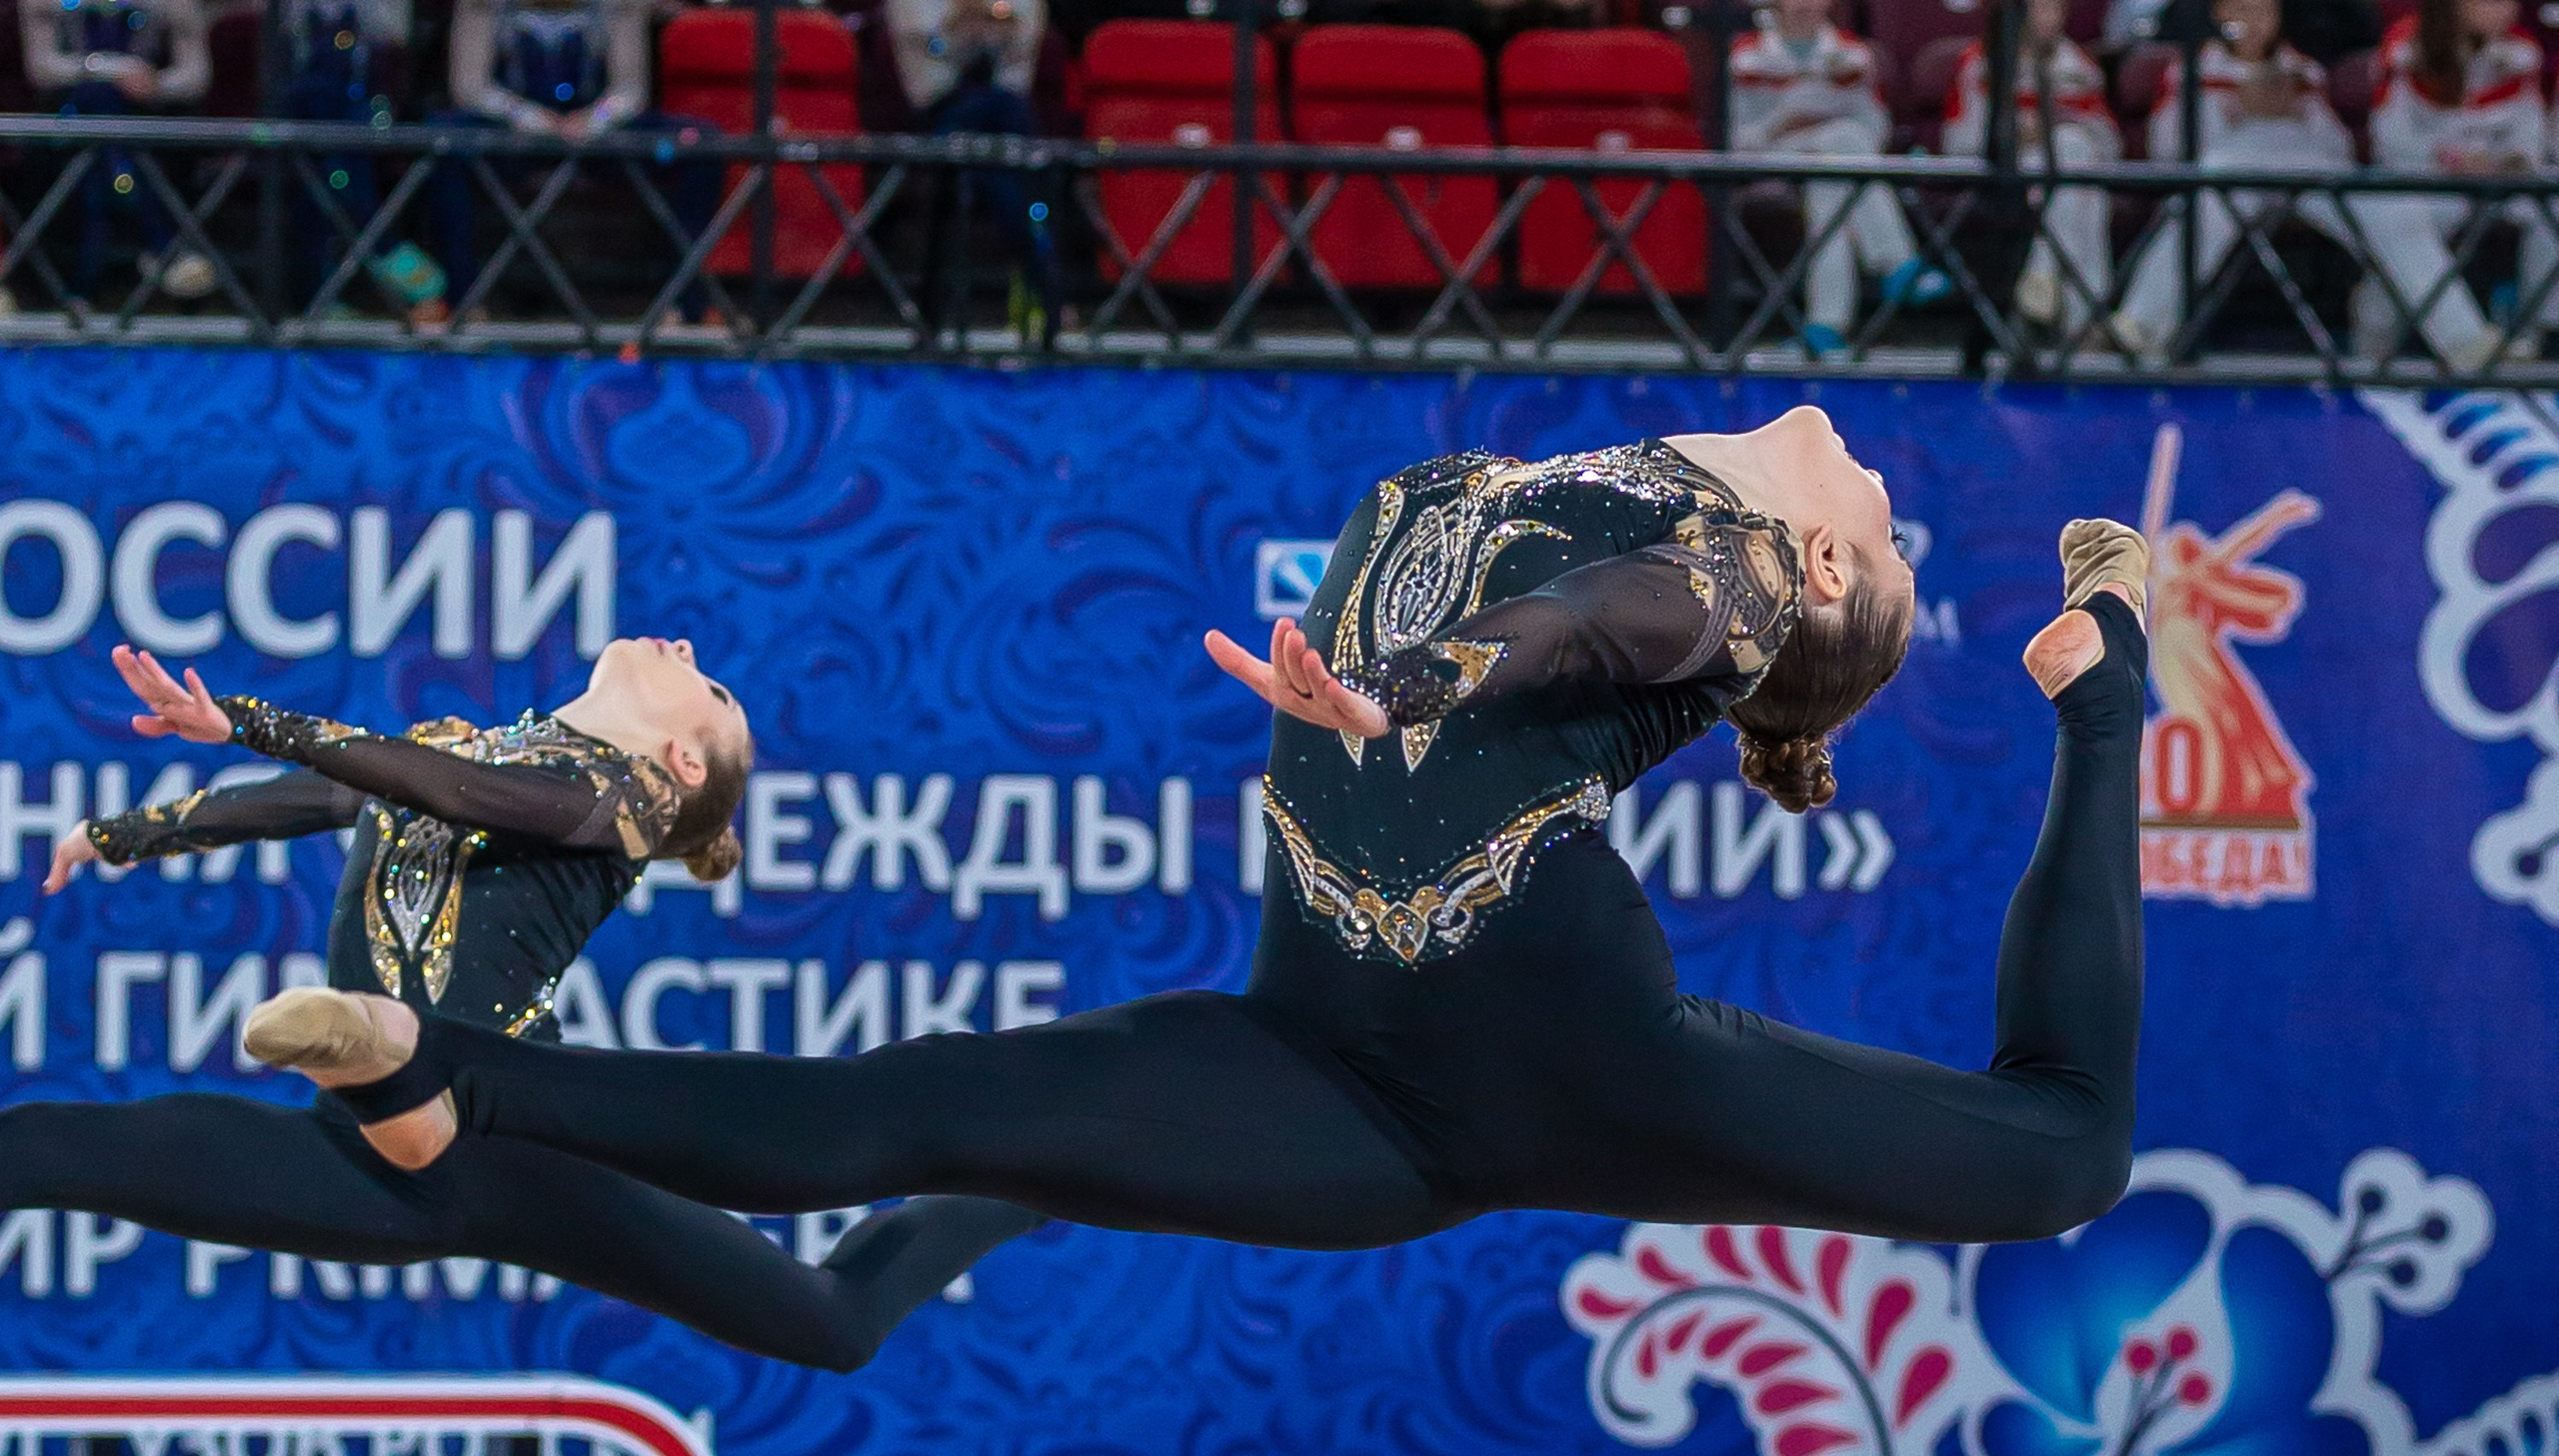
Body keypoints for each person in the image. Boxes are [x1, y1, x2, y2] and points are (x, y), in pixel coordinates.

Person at [253, 409, 2146, 1267]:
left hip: (1551, 1051)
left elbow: (1608, 629)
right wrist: (1423, 679)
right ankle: (443, 1071)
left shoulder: (1724, 576)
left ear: (1816, 574)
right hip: (1335, 1067)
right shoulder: (1599, 484)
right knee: (884, 1112)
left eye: (1888, 540)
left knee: (2066, 1147)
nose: (1893, 495)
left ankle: (2107, 699)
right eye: (1900, 528)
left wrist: (1420, 685)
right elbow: (1585, 604)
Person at [13, 640, 1038, 1372]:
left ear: (685, 761)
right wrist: (129, 834)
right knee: (56, 1152)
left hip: (517, 1149)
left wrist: (247, 720)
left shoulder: (631, 802)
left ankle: (1035, 1174)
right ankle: (371, 1062)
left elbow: (459, 796)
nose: (681, 643)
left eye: (710, 684)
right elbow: (325, 799)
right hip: (361, 1170)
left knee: (836, 1323)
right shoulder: (450, 749)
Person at [2109, 0, 2483, 364]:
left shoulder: (2303, 71)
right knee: (2203, 202)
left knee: (2395, 212)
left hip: (2304, 172)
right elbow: (2168, 153)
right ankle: (2140, 328)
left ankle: (2467, 343)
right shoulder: (2191, 67)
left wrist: (2297, 111)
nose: (2253, 22)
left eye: (2263, 10)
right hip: (2232, 172)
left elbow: (2339, 151)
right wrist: (2235, 112)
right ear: (2219, 14)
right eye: (2241, 9)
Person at [418, 0, 724, 329]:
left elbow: (630, 90)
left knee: (699, 143)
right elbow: (470, 87)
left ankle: (687, 304)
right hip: (511, 134)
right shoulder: (483, 6)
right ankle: (461, 299)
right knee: (443, 139)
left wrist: (593, 121)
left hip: (596, 135)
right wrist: (530, 118)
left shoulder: (620, 6)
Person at [1727, 0, 1950, 358]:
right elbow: (1736, 141)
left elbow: (1877, 131)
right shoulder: (1744, 56)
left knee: (1832, 175)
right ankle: (1895, 263)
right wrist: (1784, 121)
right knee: (1841, 144)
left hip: (1833, 162)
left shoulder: (1853, 55)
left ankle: (1826, 327)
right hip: (1770, 159)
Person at [2362, 0, 2542, 366]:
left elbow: (2530, 140)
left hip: (2498, 184)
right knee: (2397, 221)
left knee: (2552, 206)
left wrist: (2503, 163)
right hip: (2426, 182)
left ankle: (2538, 334)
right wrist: (2453, 160)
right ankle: (2391, 353)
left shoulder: (2522, 52)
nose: (2506, 9)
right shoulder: (2407, 47)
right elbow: (2390, 139)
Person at [1944, 0, 2120, 340]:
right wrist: (2010, 135)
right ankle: (2086, 325)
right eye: (2038, 8)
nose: (2047, 18)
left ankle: (2042, 276)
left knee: (2076, 159)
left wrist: (2052, 128)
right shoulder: (1981, 61)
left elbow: (2110, 143)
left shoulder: (2079, 67)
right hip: (2003, 175)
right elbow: (1957, 143)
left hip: (2064, 170)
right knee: (2079, 176)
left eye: (2055, 8)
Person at [21, 0, 217, 304]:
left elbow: (195, 76)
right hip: (67, 122)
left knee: (107, 147)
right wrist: (111, 69)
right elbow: (42, 68)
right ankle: (162, 245)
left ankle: (81, 287)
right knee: (101, 104)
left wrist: (155, 83)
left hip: (148, 121)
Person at [887, 0, 1059, 339]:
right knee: (996, 162)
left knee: (1001, 141)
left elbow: (1020, 43)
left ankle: (932, 313)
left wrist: (985, 30)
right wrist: (964, 30)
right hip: (944, 105)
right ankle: (1047, 285)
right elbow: (923, 44)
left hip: (1001, 108)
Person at [274, 0, 446, 313]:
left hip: (357, 122)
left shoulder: (371, 14)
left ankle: (316, 297)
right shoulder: (291, 14)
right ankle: (385, 246)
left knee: (334, 174)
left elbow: (396, 43)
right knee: (323, 173)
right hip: (299, 119)